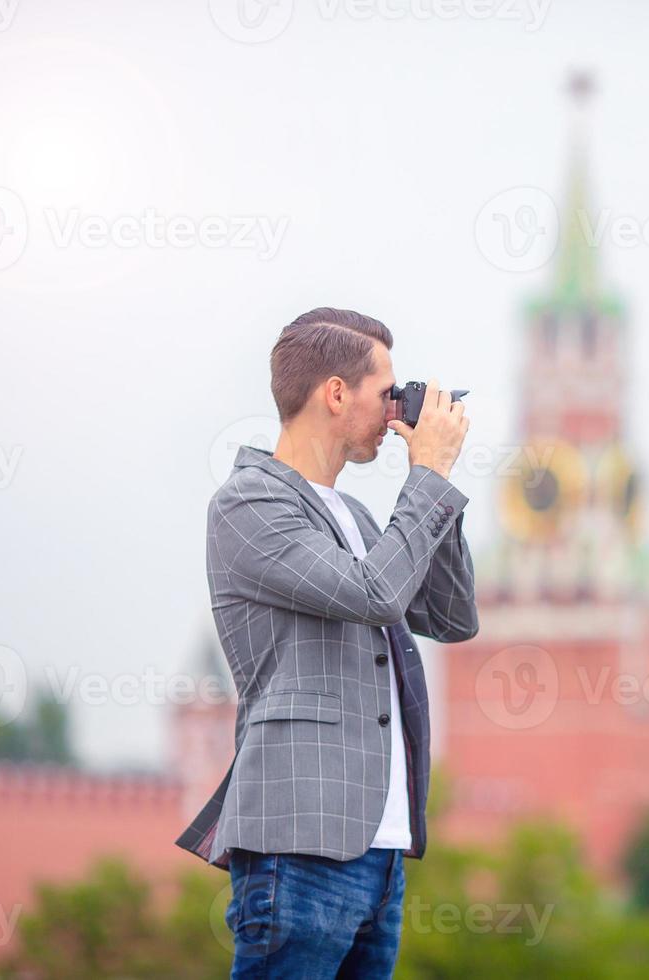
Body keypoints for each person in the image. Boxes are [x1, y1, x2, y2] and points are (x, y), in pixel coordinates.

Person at [175, 307, 477, 978]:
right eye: (385, 390)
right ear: (336, 393)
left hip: (381, 848)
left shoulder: (364, 519)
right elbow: (376, 593)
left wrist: (437, 483)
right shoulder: (250, 504)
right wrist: (426, 480)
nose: (395, 406)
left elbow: (453, 617)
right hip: (300, 838)